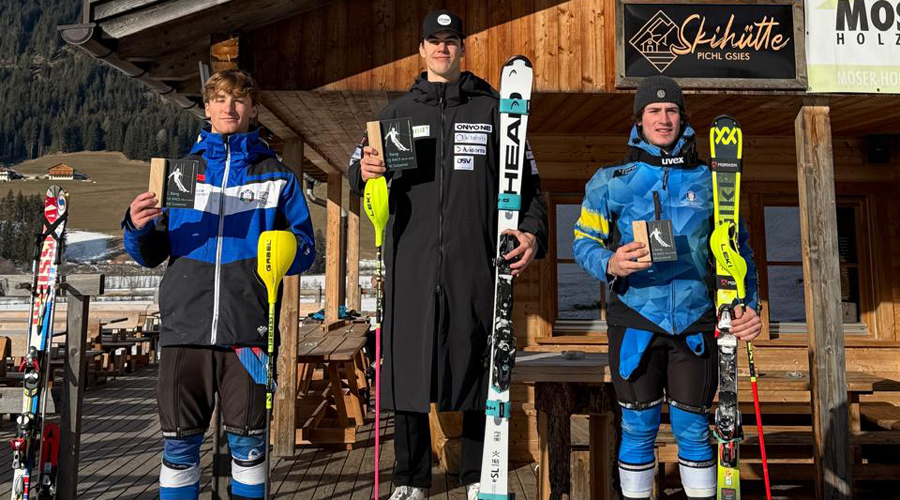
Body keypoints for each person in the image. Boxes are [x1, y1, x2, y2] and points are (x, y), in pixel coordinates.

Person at [348, 10, 548, 500]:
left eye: (451, 40)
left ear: (462, 48)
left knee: (478, 360)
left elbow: (530, 187)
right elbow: (357, 173)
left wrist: (531, 235)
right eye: (433, 41)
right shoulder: (395, 114)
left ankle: (478, 473)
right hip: (411, 262)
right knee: (408, 365)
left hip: (475, 261)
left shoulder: (495, 111)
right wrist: (364, 171)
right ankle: (409, 478)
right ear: (421, 50)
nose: (442, 48)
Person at [123, 69, 315, 500]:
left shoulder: (278, 177)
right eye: (221, 99)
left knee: (249, 448)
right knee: (178, 449)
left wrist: (284, 248)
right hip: (183, 332)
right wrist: (137, 227)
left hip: (249, 336)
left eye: (239, 99)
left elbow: (305, 249)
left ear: (253, 109)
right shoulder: (181, 173)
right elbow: (151, 252)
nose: (230, 107)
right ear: (207, 108)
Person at [572, 75, 761, 500]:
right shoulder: (611, 181)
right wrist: (610, 262)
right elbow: (583, 242)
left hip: (696, 320)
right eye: (654, 111)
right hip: (635, 319)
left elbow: (739, 250)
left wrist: (750, 305)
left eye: (671, 110)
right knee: (638, 427)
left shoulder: (711, 180)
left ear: (683, 118)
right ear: (639, 120)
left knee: (693, 429)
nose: (663, 119)